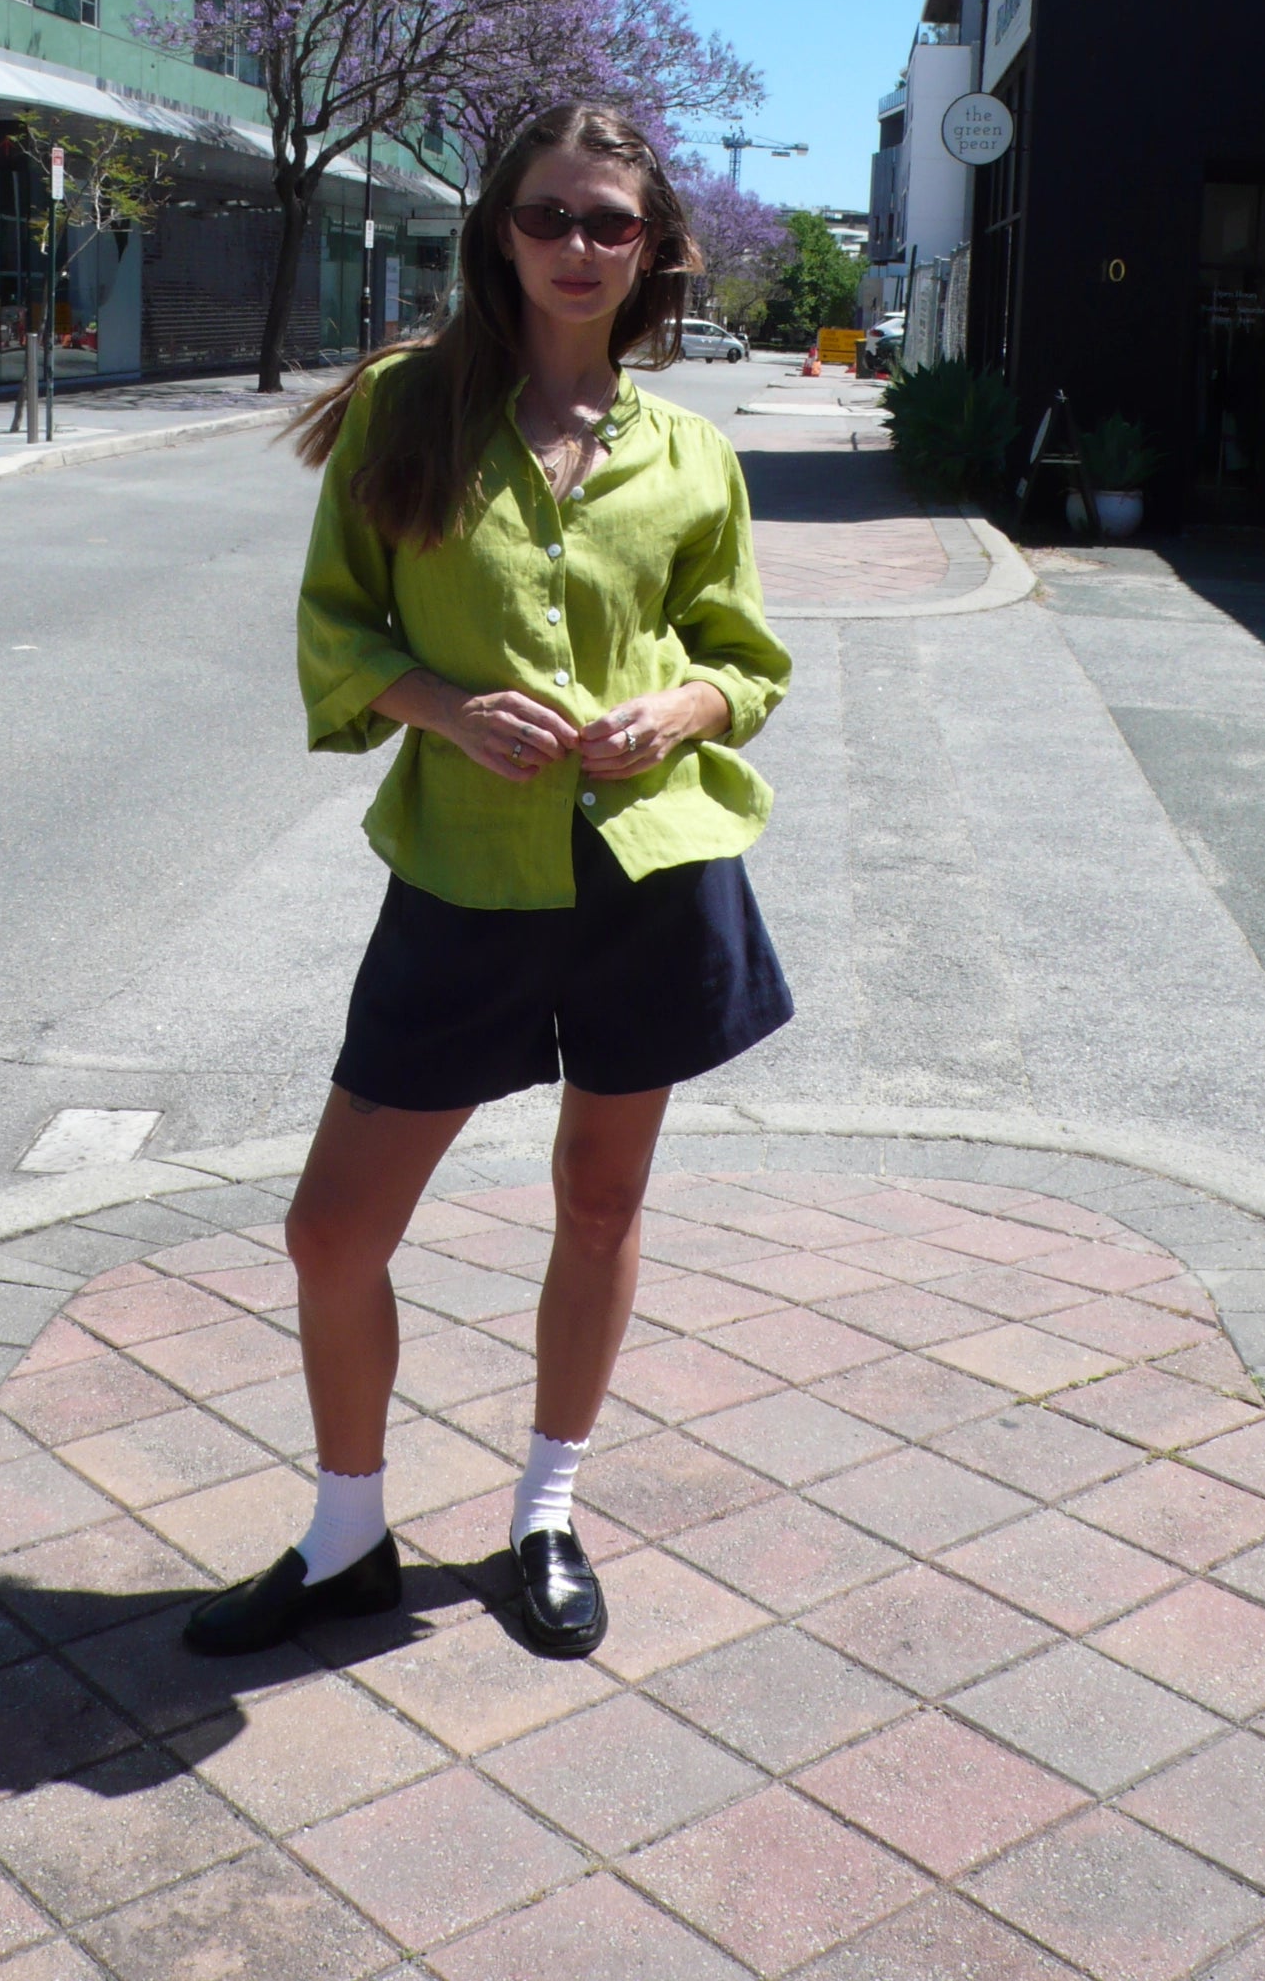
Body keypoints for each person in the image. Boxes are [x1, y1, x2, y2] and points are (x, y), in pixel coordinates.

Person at [184, 101, 793, 1663]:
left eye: (610, 222)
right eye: (548, 216)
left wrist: (684, 709)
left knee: (600, 1204)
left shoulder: (692, 453)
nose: (578, 247)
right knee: (334, 1230)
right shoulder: (410, 411)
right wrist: (443, 705)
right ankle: (346, 1533)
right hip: (461, 873)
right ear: (498, 232)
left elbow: (744, 659)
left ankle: (546, 1508)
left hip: (654, 873)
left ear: (655, 244)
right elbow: (339, 626)